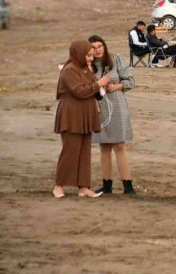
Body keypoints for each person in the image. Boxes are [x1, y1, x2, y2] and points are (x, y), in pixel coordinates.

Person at [53, 40, 110, 198]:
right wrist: (98, 84)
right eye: (88, 55)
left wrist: (101, 86)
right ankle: (59, 186)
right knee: (70, 151)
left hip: (85, 115)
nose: (91, 58)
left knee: (85, 152)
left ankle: (84, 187)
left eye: (92, 55)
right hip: (71, 115)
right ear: (78, 54)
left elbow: (93, 91)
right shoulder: (69, 70)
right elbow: (79, 91)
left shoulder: (85, 69)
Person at [89, 35, 137, 195]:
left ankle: (128, 186)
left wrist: (116, 86)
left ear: (104, 46)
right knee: (104, 146)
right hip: (99, 108)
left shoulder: (116, 59)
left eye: (99, 46)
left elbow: (130, 81)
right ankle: (106, 185)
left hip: (117, 106)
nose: (97, 50)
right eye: (93, 48)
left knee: (119, 146)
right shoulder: (88, 65)